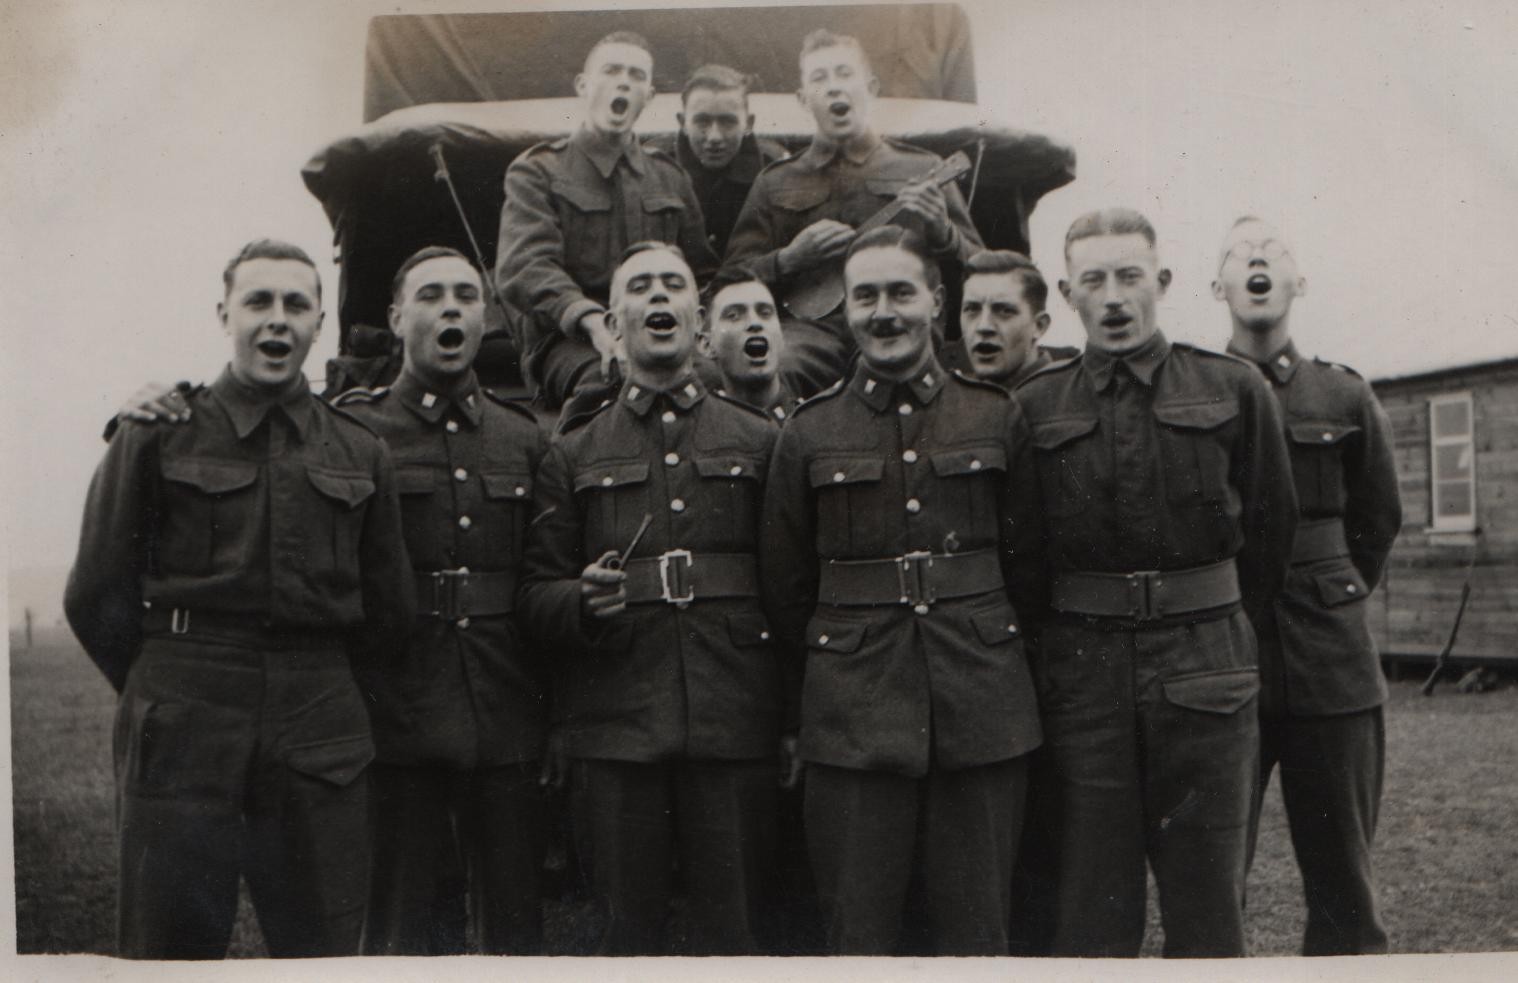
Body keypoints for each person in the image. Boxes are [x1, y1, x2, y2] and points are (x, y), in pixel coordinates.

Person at [63, 239, 414, 959]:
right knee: (167, 948)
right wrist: (163, 683)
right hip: (185, 712)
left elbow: (390, 610)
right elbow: (95, 591)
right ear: (225, 313)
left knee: (322, 949)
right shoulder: (157, 430)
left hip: (318, 717)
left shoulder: (360, 450)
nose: (276, 320)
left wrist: (329, 697)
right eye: (259, 301)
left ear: (321, 322)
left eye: (296, 303)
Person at [1013, 208, 1297, 957]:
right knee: (1091, 911)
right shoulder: (1035, 405)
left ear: (1162, 282)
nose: (1114, 297)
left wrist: (1211, 623)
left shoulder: (1233, 387)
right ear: (1068, 292)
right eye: (1095, 279)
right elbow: (1024, 553)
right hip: (1084, 681)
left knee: (1208, 910)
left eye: (1130, 276)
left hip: (1208, 673)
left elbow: (1270, 536)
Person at [761, 226, 1045, 955]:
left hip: (980, 710)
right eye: (865, 297)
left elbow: (1032, 566)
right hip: (854, 716)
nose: (882, 313)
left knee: (978, 934)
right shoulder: (810, 430)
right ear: (846, 311)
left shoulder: (994, 414)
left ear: (936, 302)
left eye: (900, 292)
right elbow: (786, 583)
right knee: (859, 934)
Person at [519, 242, 786, 955]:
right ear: (616, 319)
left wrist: (788, 720)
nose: (659, 297)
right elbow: (534, 593)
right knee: (622, 937)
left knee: (736, 936)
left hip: (735, 720)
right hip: (616, 727)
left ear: (700, 324)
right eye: (641, 287)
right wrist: (579, 599)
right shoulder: (571, 449)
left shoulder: (762, 440)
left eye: (675, 285)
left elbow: (792, 591)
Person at [332, 247, 551, 955]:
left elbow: (540, 576)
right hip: (399, 709)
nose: (450, 307)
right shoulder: (354, 430)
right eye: (430, 295)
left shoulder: (522, 437)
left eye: (465, 294)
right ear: (397, 318)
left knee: (514, 925)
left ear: (486, 317)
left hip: (504, 706)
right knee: (402, 922)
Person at [1214, 216, 1400, 955]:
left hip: (1333, 669)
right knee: (1218, 878)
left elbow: (1376, 519)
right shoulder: (1198, 392)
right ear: (1217, 285)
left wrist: (1333, 589)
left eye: (1275, 250)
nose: (1258, 257)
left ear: (1298, 282)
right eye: (1239, 252)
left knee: (1345, 886)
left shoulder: (1344, 394)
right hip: (1227, 660)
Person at [723, 29, 984, 398]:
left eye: (845, 74)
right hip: (810, 333)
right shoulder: (774, 182)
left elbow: (984, 267)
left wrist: (944, 234)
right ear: (803, 99)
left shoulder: (922, 169)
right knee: (779, 370)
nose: (833, 88)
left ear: (871, 88)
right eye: (819, 78)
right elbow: (730, 278)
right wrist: (788, 259)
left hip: (901, 320)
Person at [495, 31, 718, 409]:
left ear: (647, 96)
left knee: (716, 382)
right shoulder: (538, 172)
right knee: (612, 382)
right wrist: (590, 321)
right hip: (570, 340)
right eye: (612, 70)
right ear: (584, 85)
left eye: (636, 76)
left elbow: (703, 271)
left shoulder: (670, 177)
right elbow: (525, 267)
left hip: (661, 331)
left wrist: (706, 329)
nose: (623, 82)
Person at [652, 64, 788, 257]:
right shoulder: (654, 166)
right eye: (702, 121)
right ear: (682, 123)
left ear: (748, 124)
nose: (715, 137)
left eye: (727, 122)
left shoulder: (774, 168)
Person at [947, 249, 1076, 390]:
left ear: (1039, 326)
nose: (983, 326)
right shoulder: (958, 400)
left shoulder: (1068, 396)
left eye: (1004, 311)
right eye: (972, 309)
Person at [699, 268, 798, 423]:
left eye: (765, 313)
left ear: (781, 337)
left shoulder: (814, 423)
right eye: (733, 316)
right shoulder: (698, 431)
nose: (754, 323)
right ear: (706, 344)